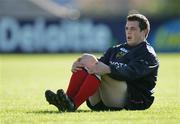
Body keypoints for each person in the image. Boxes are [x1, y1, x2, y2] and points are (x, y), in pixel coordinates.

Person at [45, 13, 159, 112]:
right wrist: (78, 64)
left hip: (134, 100)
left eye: (132, 29)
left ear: (144, 31)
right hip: (105, 99)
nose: (128, 32)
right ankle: (66, 100)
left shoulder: (147, 54)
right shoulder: (116, 49)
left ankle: (72, 104)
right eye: (126, 28)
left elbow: (132, 73)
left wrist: (108, 69)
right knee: (87, 63)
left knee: (98, 68)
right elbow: (97, 64)